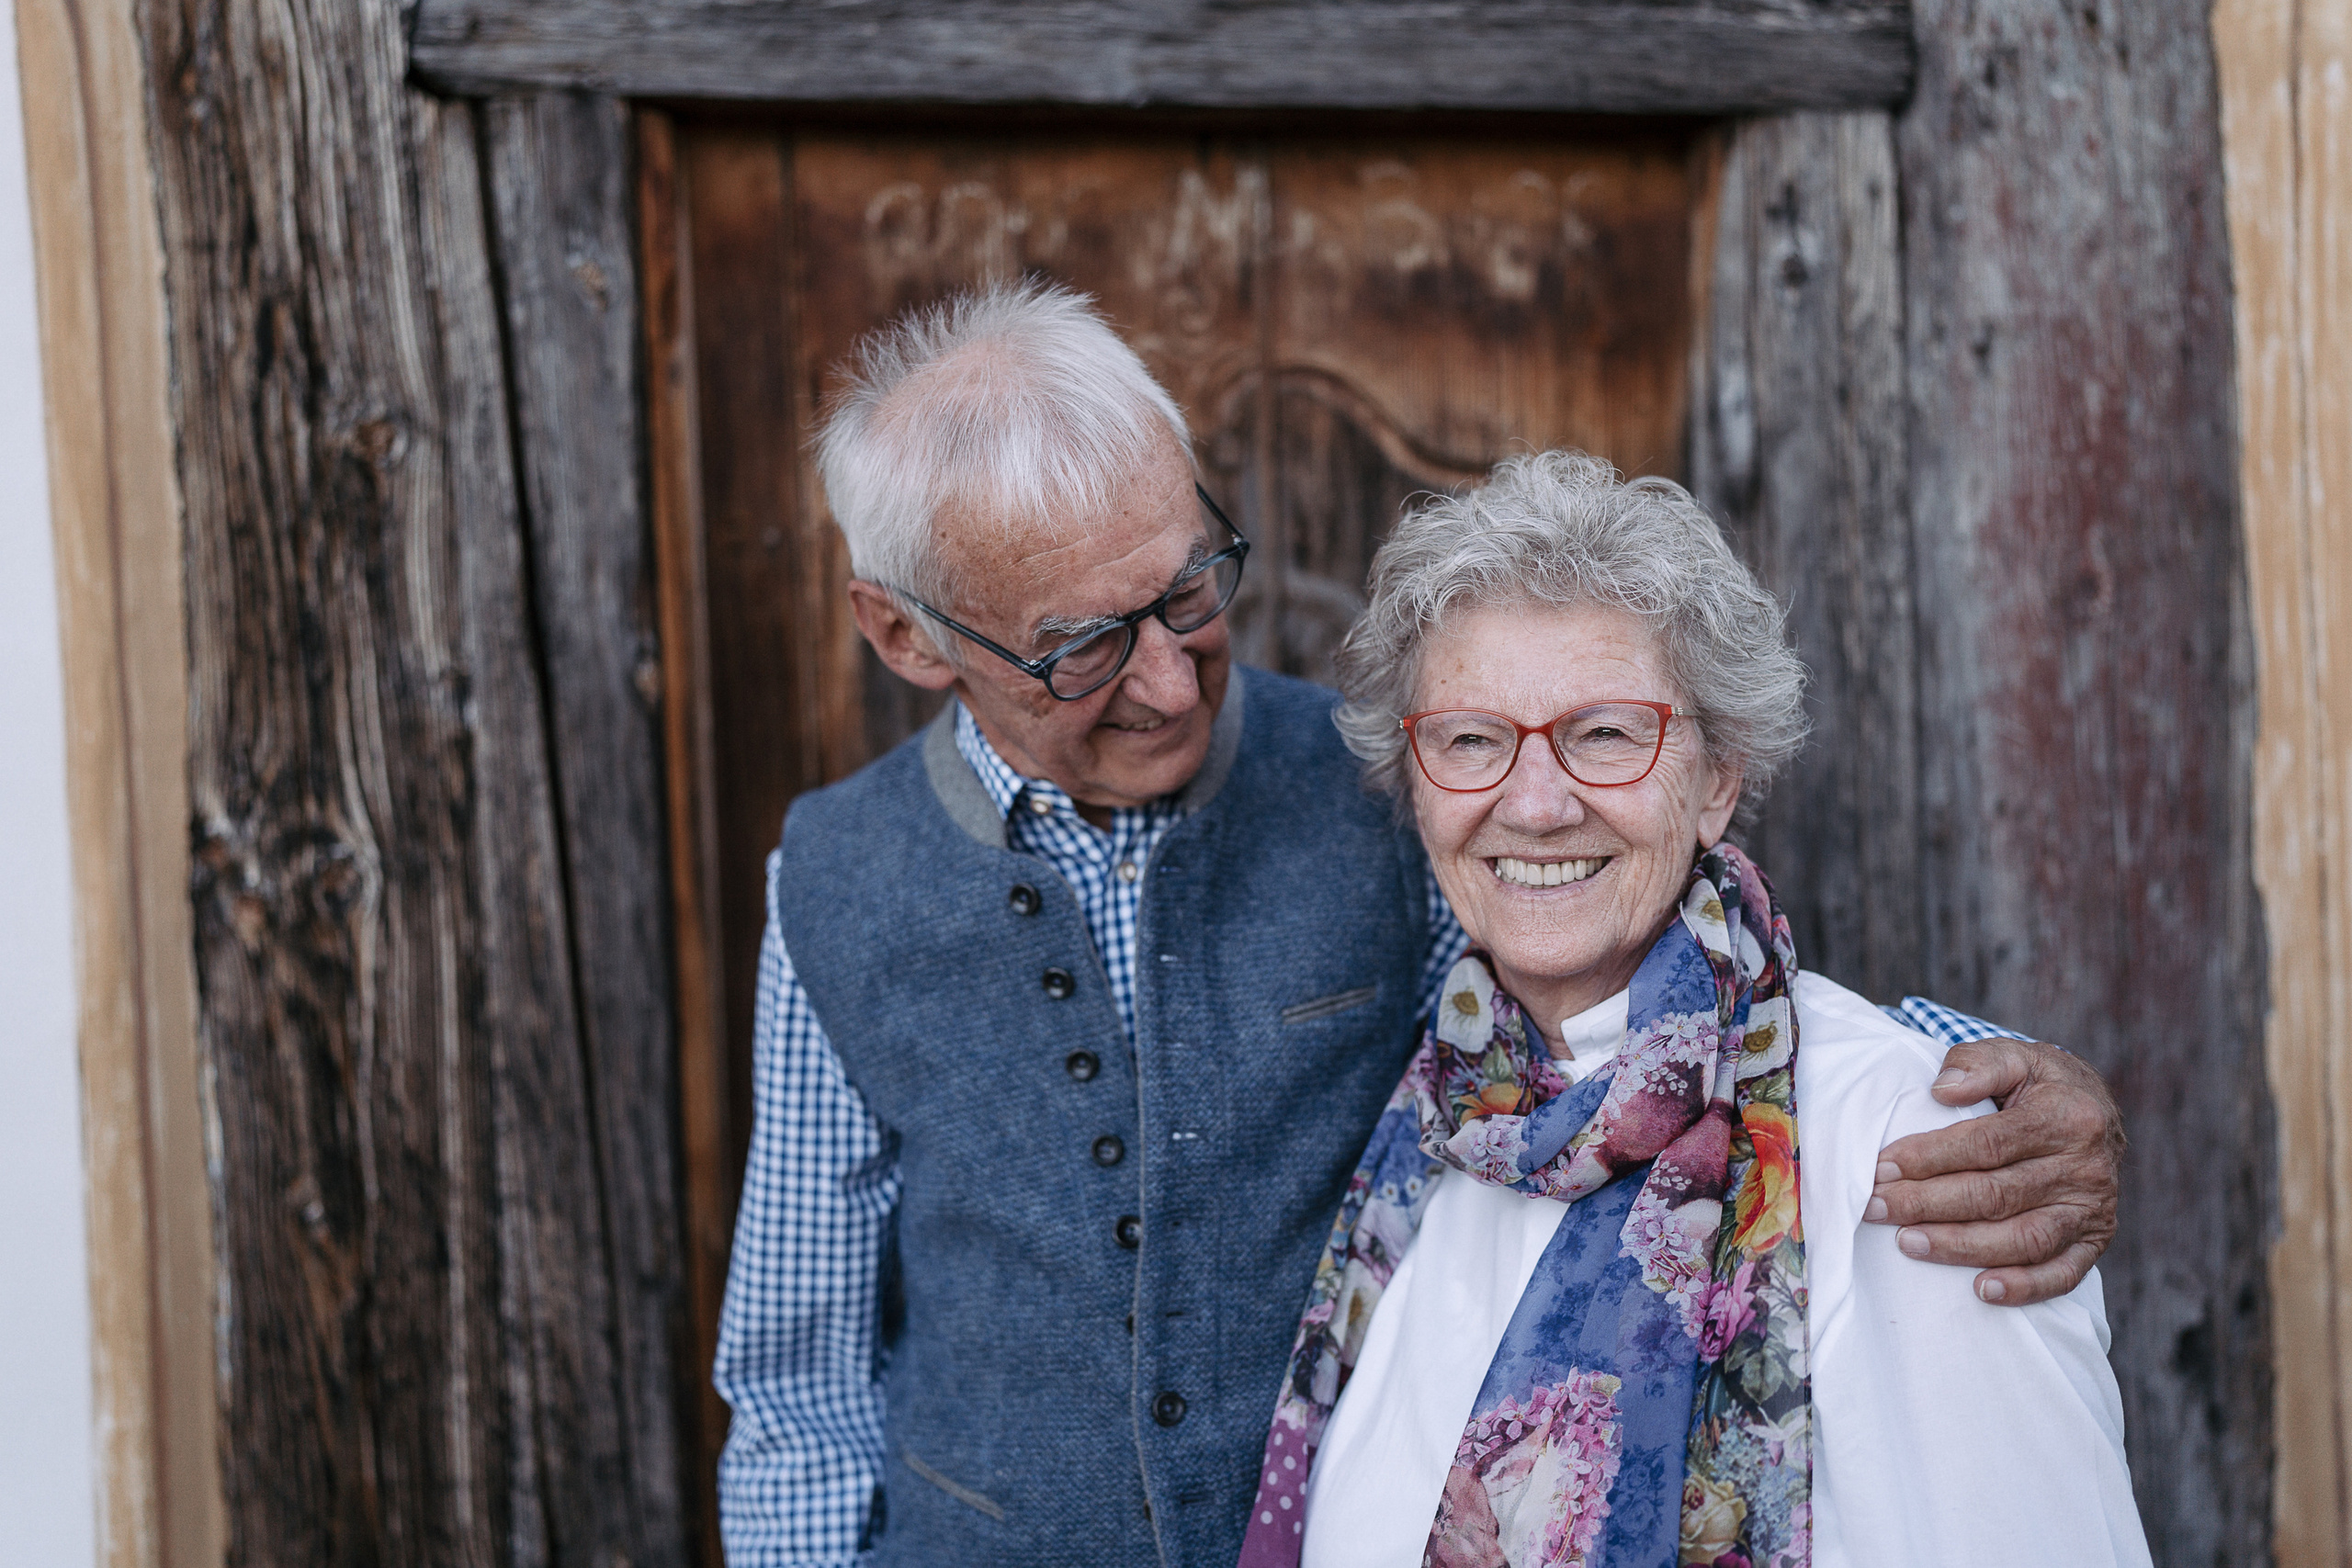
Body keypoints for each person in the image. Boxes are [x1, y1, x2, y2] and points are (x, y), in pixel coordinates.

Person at [709, 281, 2127, 1568]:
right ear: (906, 635)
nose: (1165, 681)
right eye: (1082, 645)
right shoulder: (834, 878)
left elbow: (1618, 991)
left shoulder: (1386, 782)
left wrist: (1975, 1067)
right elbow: (797, 1384)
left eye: (1188, 592)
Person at [1241, 452, 2147, 1568]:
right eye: (1471, 739)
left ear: (1716, 779)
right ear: (1417, 780)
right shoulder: (1425, 1140)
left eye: (1608, 733)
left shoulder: (1916, 1153)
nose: (1532, 802)